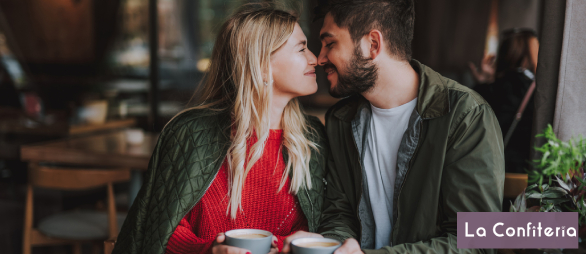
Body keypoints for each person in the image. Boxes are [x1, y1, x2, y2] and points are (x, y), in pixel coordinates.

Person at [282, 0, 505, 253]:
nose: (320, 58)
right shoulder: (341, 120)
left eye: (330, 44)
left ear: (373, 44)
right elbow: (339, 214)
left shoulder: (466, 116)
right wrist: (330, 245)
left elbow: (476, 243)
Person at [112, 5, 328, 254]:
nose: (315, 59)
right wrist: (209, 250)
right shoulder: (192, 134)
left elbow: (325, 226)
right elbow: (160, 232)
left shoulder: (312, 138)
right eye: (302, 48)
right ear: (262, 64)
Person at [474, 28, 539, 174]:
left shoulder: (491, 89)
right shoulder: (539, 92)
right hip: (525, 172)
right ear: (531, 55)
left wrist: (483, 83)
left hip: (488, 170)